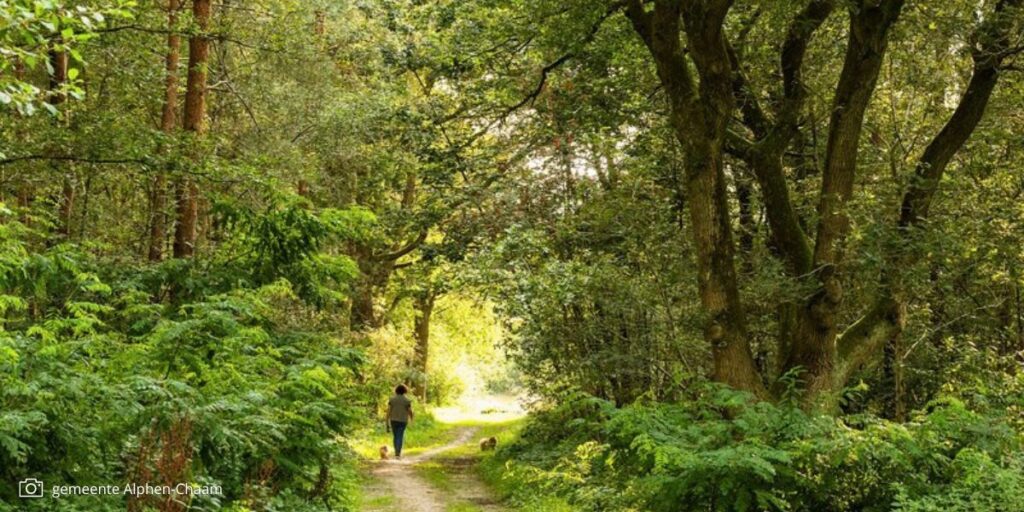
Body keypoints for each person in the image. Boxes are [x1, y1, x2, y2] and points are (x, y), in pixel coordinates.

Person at [386, 384, 414, 459]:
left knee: (395, 436)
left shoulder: (392, 399)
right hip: (403, 420)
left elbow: (388, 411)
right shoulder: (407, 400)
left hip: (393, 420)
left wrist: (386, 421)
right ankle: (398, 453)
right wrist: (411, 419)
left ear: (396, 390)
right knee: (400, 435)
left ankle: (396, 452)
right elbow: (410, 411)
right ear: (405, 391)